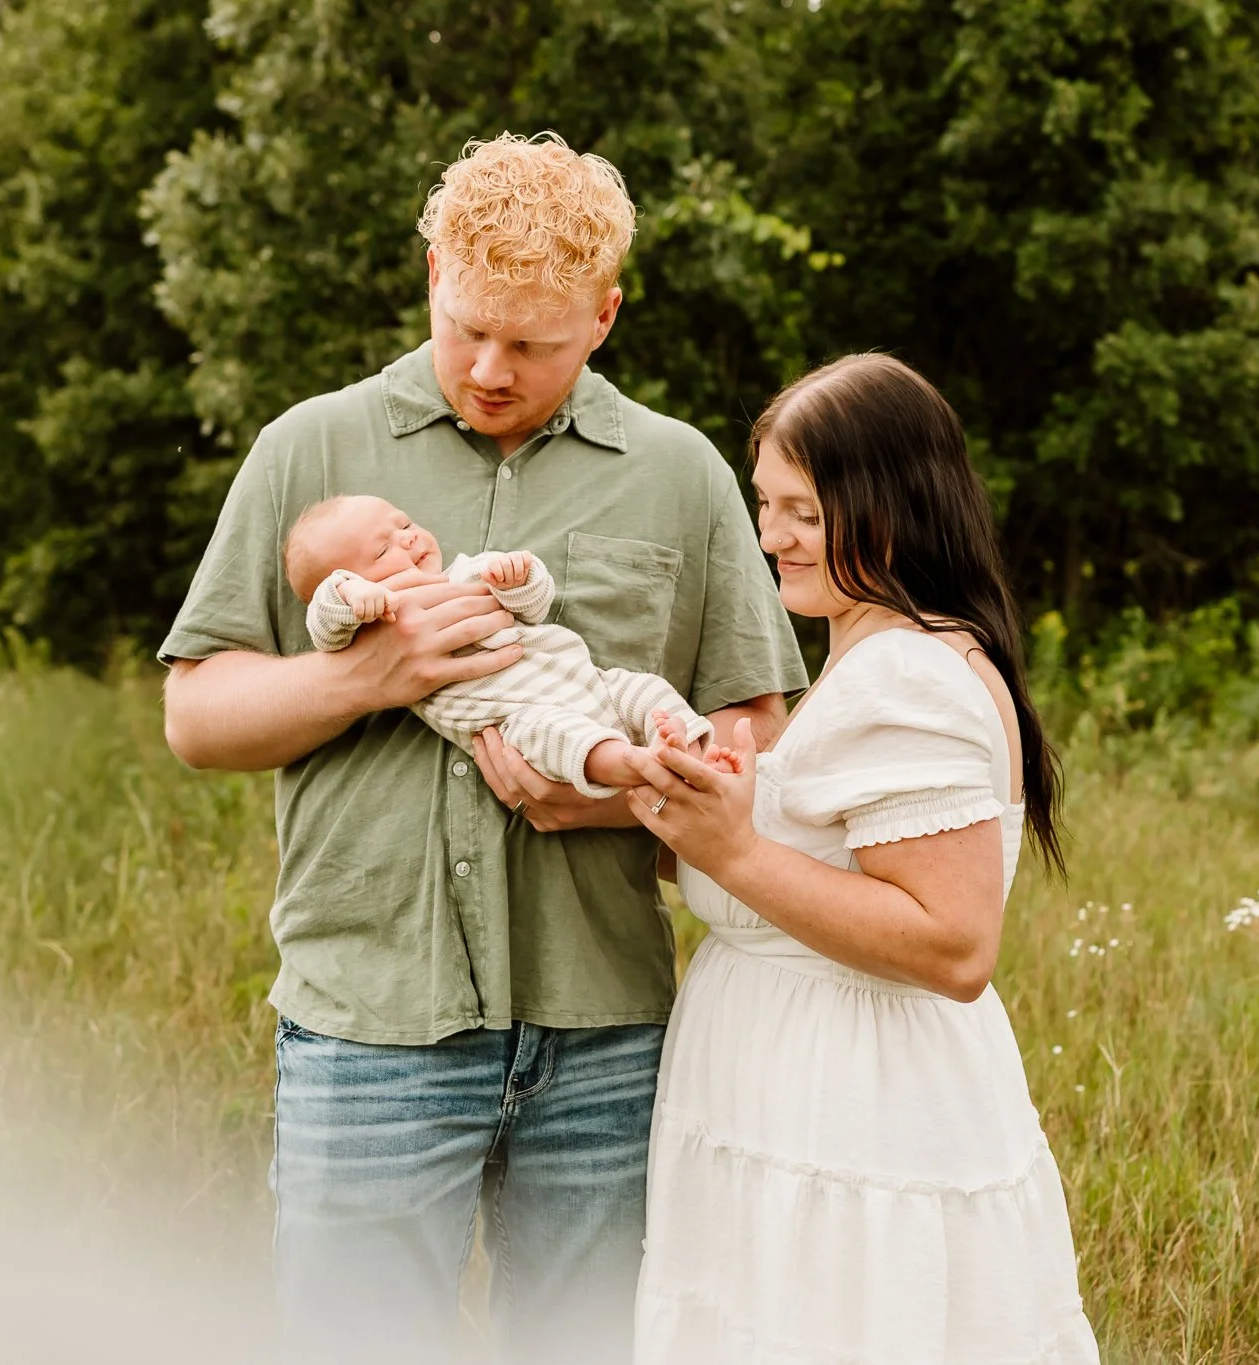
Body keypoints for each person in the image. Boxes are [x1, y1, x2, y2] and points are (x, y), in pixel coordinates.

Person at [158, 132, 805, 1364]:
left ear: (604, 316)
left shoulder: (677, 475)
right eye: (467, 328)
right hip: (371, 1029)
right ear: (432, 273)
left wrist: (620, 803)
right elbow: (196, 714)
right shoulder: (312, 449)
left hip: (605, 1034)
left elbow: (752, 730)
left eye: (534, 343)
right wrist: (366, 676)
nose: (491, 368)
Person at [623, 354, 1102, 1364]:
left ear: (886, 502)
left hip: (850, 1105)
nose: (768, 537)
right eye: (763, 503)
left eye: (801, 510)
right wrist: (673, 815)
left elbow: (951, 945)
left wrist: (736, 850)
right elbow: (812, 872)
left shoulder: (907, 679)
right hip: (791, 1087)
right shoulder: (867, 648)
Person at [286, 493, 712, 794]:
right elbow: (324, 624)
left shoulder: (468, 571)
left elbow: (534, 605)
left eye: (405, 524)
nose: (409, 539)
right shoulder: (374, 624)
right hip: (520, 715)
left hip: (591, 680)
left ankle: (690, 752)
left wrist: (518, 577)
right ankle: (631, 763)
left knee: (645, 690)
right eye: (382, 551)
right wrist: (350, 596)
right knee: (557, 738)